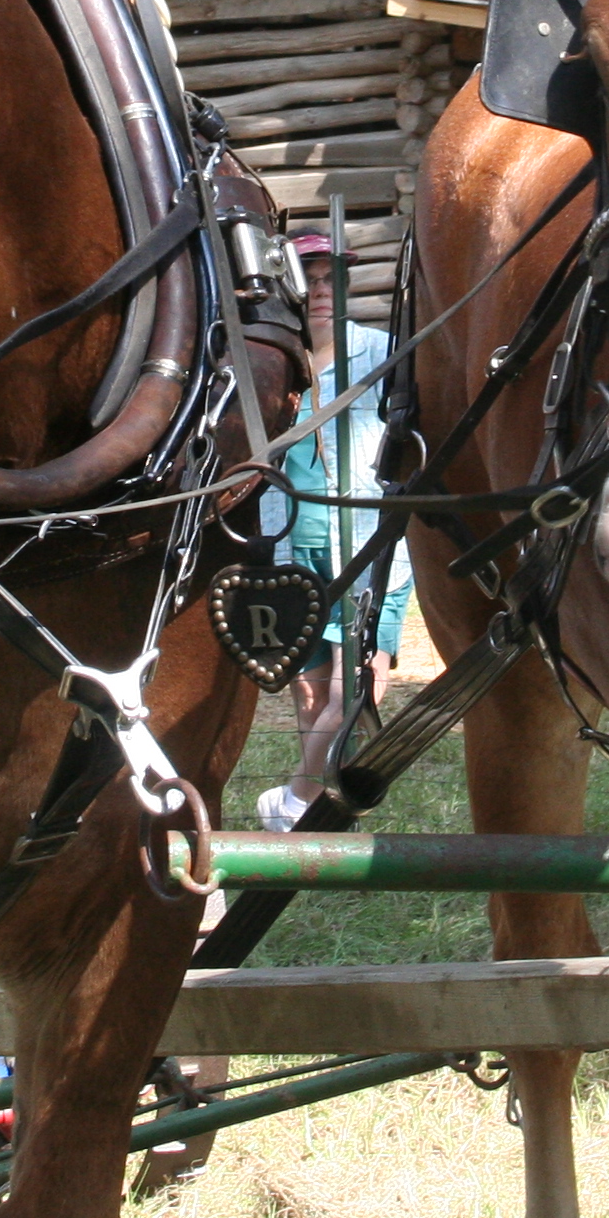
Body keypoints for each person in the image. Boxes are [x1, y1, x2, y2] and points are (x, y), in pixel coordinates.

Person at [257, 235, 395, 834]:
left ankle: (293, 802)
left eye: (328, 282)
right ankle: (313, 809)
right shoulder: (270, 363)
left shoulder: (382, 355)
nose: (318, 294)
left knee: (360, 681)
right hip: (289, 541)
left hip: (366, 542)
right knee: (312, 691)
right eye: (308, 282)